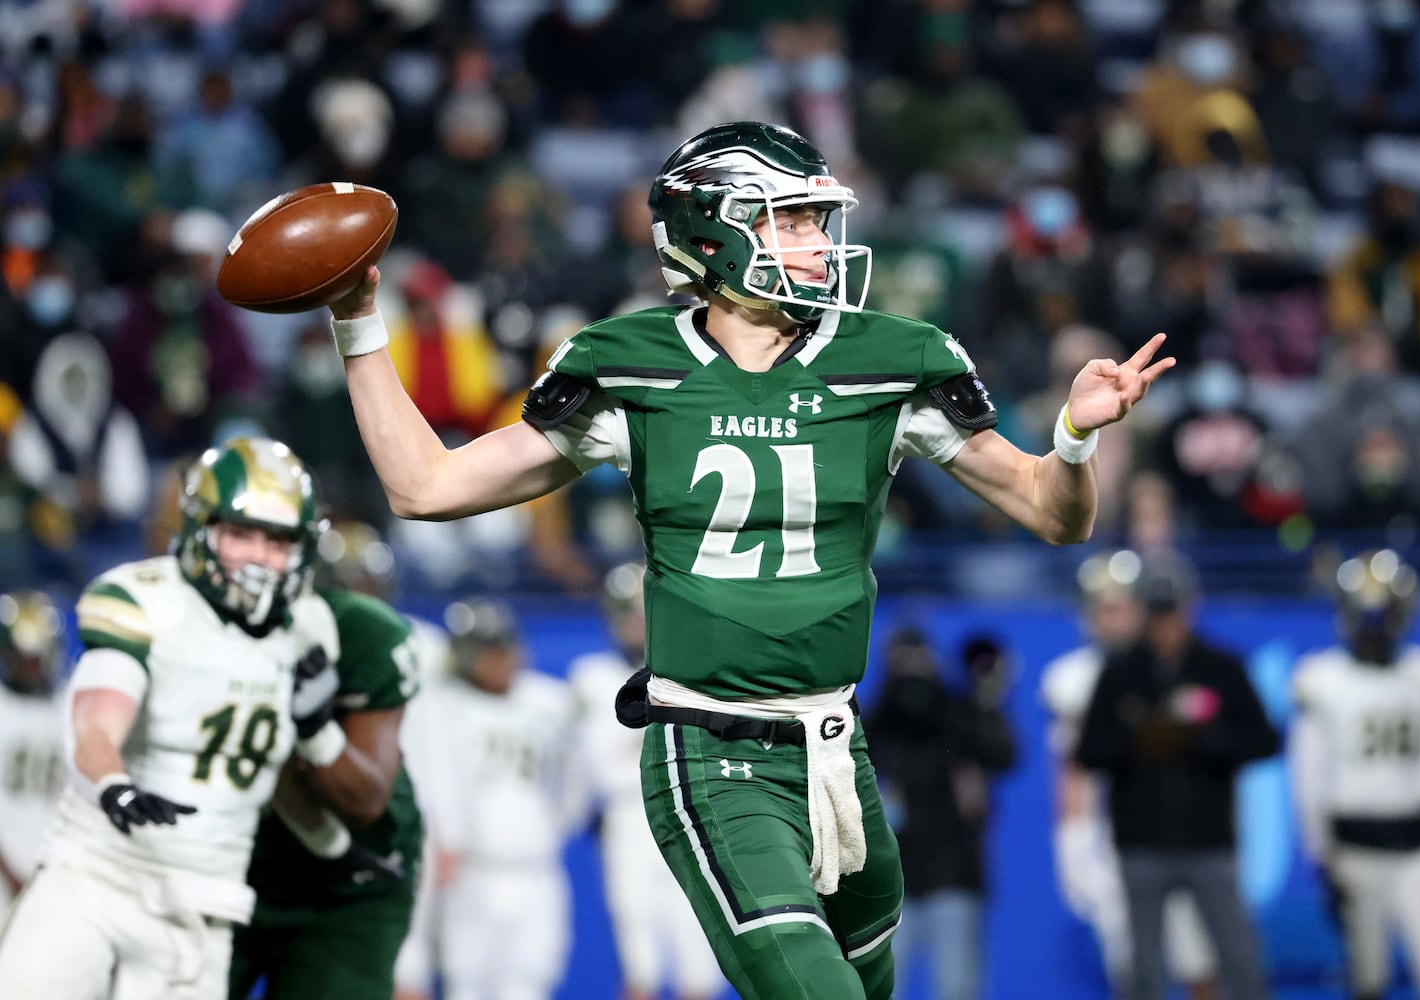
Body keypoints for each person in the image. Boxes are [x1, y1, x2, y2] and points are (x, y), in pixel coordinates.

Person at [325, 120, 1172, 997]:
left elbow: (1051, 514)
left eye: (817, 218)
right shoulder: (629, 365)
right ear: (713, 234)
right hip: (710, 749)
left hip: (838, 751)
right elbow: (425, 487)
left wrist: (1072, 439)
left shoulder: (885, 359)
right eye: (792, 219)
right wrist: (357, 324)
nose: (817, 242)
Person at [0, 437, 343, 1000]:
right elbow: (97, 721)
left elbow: (270, 772)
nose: (259, 556)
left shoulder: (310, 628)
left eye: (277, 540)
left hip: (204, 901)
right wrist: (116, 786)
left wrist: (332, 841)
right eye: (240, 534)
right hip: (97, 873)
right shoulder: (146, 598)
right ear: (199, 531)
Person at [227, 525, 425, 1000]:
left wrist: (316, 731)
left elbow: (365, 801)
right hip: (229, 859)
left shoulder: (365, 632)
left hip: (349, 882)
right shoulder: (180, 617)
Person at [1075, 551, 1278, 1000]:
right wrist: (1142, 740)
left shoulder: (1220, 668)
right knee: (1144, 965)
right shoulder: (1122, 673)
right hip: (1142, 839)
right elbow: (1089, 750)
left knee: (1237, 956)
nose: (1166, 625)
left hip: (1208, 837)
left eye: (1172, 612)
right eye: (1158, 612)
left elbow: (1265, 739)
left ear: (1191, 607)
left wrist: (1208, 741)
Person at [1288, 549, 1420, 1000]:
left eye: (1381, 613)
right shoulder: (1323, 679)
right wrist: (1322, 855)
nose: (1373, 626)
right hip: (1353, 843)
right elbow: (1307, 779)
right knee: (1367, 974)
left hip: (1416, 844)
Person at [1040, 550, 1218, 999]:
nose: (1113, 617)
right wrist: (1074, 840)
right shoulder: (1074, 679)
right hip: (1114, 839)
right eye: (1104, 606)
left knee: (1200, 963)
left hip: (1184, 831)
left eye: (1121, 605)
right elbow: (1074, 770)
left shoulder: (1174, 665)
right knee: (1132, 970)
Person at [399, 597, 579, 1000]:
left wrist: (552, 826)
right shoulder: (442, 706)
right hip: (471, 869)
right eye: (487, 651)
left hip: (535, 869)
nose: (499, 660)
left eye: (504, 647)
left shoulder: (548, 702)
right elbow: (437, 783)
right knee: (466, 985)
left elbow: (573, 782)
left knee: (529, 985)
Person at [569, 563, 726, 1000]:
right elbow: (589, 761)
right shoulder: (591, 675)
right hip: (626, 814)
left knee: (697, 948)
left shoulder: (687, 670)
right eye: (625, 613)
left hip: (685, 807)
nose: (634, 623)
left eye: (640, 612)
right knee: (639, 953)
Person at [864, 626, 1017, 1000]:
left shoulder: (955, 711)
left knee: (956, 988)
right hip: (891, 883)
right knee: (882, 990)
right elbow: (857, 747)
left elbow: (1003, 754)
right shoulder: (883, 719)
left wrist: (966, 694)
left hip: (953, 872)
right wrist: (891, 688)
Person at [0, 590, 68, 917]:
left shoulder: (69, 707)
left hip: (55, 872)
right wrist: (11, 876)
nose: (32, 668)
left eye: (37, 658)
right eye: (24, 658)